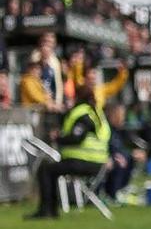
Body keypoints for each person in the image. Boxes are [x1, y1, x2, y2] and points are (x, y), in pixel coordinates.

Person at [26, 80, 109, 220]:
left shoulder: (82, 114)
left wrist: (58, 138)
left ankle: (47, 210)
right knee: (50, 169)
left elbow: (77, 137)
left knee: (46, 169)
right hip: (98, 162)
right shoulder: (96, 113)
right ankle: (50, 210)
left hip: (84, 162)